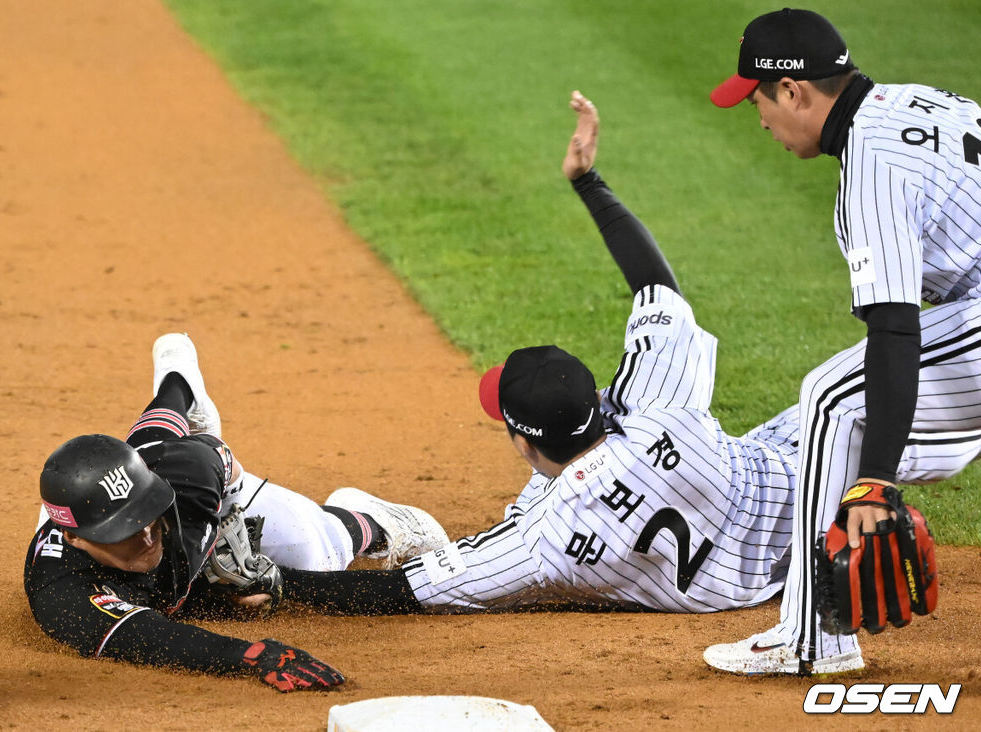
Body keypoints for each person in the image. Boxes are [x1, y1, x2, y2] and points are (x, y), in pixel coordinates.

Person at [262, 92, 981, 631]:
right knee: (844, 408)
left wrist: (282, 588)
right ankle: (877, 496)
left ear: (522, 438)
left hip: (720, 589)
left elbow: (405, 592)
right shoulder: (658, 405)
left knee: (836, 401)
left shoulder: (545, 541)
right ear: (601, 401)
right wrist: (589, 182)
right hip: (793, 504)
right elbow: (656, 283)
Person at [705, 8, 981, 674]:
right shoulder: (922, 102)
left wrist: (875, 480)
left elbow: (895, 327)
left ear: (794, 91)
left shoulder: (872, 166)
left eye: (758, 99)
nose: (759, 117)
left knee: (832, 397)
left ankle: (814, 640)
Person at [24, 333, 449, 691]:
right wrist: (251, 655)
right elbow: (151, 638)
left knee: (313, 552)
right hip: (137, 494)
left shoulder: (181, 486)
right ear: (73, 537)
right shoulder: (62, 590)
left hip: (186, 473)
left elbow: (213, 458)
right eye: (124, 530)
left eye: (146, 515)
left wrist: (230, 521)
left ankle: (371, 520)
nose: (146, 535)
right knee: (147, 454)